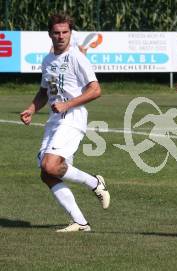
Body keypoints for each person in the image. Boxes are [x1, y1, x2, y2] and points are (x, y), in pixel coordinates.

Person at [20, 13, 110, 232]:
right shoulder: (48, 59)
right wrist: (32, 108)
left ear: (70, 33)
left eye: (65, 32)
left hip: (73, 116)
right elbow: (44, 91)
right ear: (50, 34)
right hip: (54, 119)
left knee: (49, 165)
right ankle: (80, 222)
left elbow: (95, 90)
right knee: (47, 173)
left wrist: (67, 105)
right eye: (57, 33)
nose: (61, 36)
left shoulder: (76, 57)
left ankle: (95, 183)